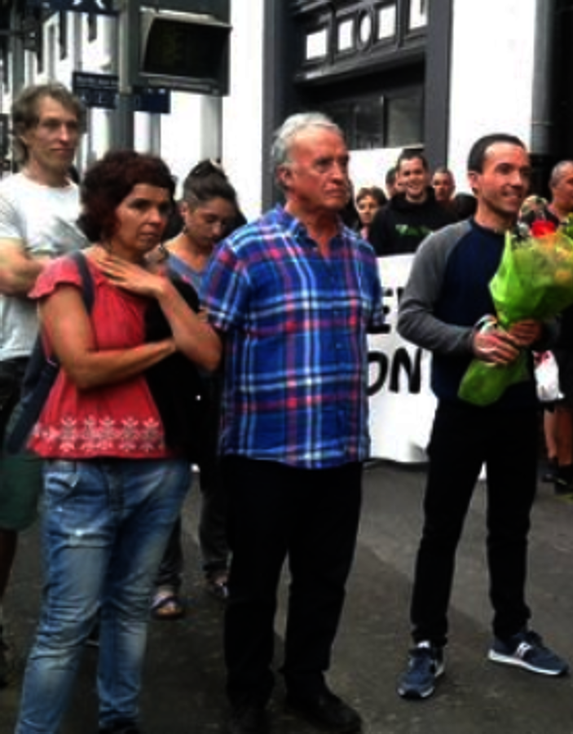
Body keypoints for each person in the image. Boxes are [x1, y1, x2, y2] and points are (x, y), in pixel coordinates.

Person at [16, 150, 221, 734]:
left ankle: (119, 721)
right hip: (84, 472)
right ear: (107, 208)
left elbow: (208, 354)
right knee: (67, 621)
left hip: (160, 470)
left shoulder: (169, 282)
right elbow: (84, 368)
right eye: (139, 205)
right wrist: (166, 345)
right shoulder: (67, 274)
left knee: (130, 610)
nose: (155, 218)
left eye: (162, 206)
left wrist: (161, 295)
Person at [202, 113, 383, 734]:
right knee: (253, 585)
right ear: (287, 176)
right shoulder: (245, 249)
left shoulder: (361, 254)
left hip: (338, 452)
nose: (339, 174)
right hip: (263, 455)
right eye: (323, 164)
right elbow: (207, 346)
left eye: (342, 162)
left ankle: (307, 683)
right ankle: (247, 695)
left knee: (323, 581)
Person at [396, 133, 569, 701]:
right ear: (475, 180)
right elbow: (411, 318)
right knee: (440, 529)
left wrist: (537, 331)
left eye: (523, 171)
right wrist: (470, 342)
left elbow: (560, 326)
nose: (517, 181)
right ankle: (427, 642)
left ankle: (511, 632)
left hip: (520, 412)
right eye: (504, 170)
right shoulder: (445, 244)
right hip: (461, 410)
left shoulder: (541, 247)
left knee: (511, 528)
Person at [0, 83, 89, 685]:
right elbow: (8, 273)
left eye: (72, 125)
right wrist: (87, 270)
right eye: (51, 125)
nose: (63, 136)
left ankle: (68, 628)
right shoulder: (7, 195)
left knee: (73, 511)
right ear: (26, 131)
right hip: (14, 365)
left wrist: (46, 267)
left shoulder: (91, 201)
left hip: (79, 368)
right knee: (6, 515)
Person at [149, 160, 240, 621]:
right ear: (185, 211)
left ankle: (217, 566)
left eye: (225, 221)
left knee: (221, 482)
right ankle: (165, 579)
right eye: (210, 219)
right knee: (169, 482)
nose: (218, 229)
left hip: (222, 383)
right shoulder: (157, 258)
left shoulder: (230, 256)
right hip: (174, 385)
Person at [521, 160, 573, 497]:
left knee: (571, 401)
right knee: (540, 398)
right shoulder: (536, 224)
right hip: (542, 329)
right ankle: (530, 464)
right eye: (572, 181)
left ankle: (566, 468)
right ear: (555, 186)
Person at [368, 149, 454, 256]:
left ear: (427, 175)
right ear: (399, 178)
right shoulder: (383, 217)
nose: (413, 178)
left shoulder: (446, 217)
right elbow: (374, 259)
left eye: (418, 172)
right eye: (407, 174)